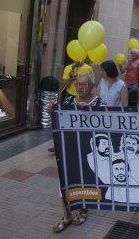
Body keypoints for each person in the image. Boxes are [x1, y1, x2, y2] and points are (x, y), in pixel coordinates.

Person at [50, 73, 101, 233]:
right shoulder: (68, 101)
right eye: (78, 84)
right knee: (65, 181)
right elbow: (58, 118)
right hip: (69, 148)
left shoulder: (99, 102)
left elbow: (105, 123)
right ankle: (66, 215)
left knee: (84, 180)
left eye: (84, 84)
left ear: (92, 88)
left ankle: (83, 210)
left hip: (88, 150)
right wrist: (52, 110)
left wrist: (89, 111)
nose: (79, 87)